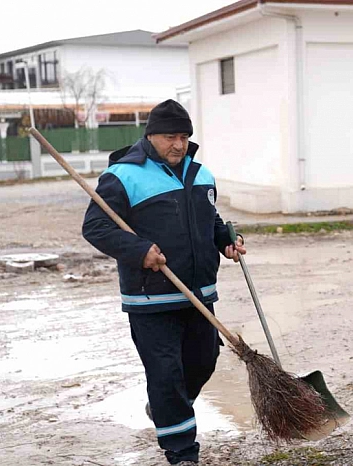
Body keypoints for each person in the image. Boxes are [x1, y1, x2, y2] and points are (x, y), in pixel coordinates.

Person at [82, 99, 246, 465]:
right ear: (151, 136)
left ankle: (164, 407)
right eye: (170, 137)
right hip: (151, 299)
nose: (178, 144)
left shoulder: (201, 174)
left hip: (200, 295)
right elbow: (95, 227)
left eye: (184, 137)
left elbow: (210, 219)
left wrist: (225, 239)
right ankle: (182, 453)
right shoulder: (123, 176)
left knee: (203, 363)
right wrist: (139, 251)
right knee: (166, 375)